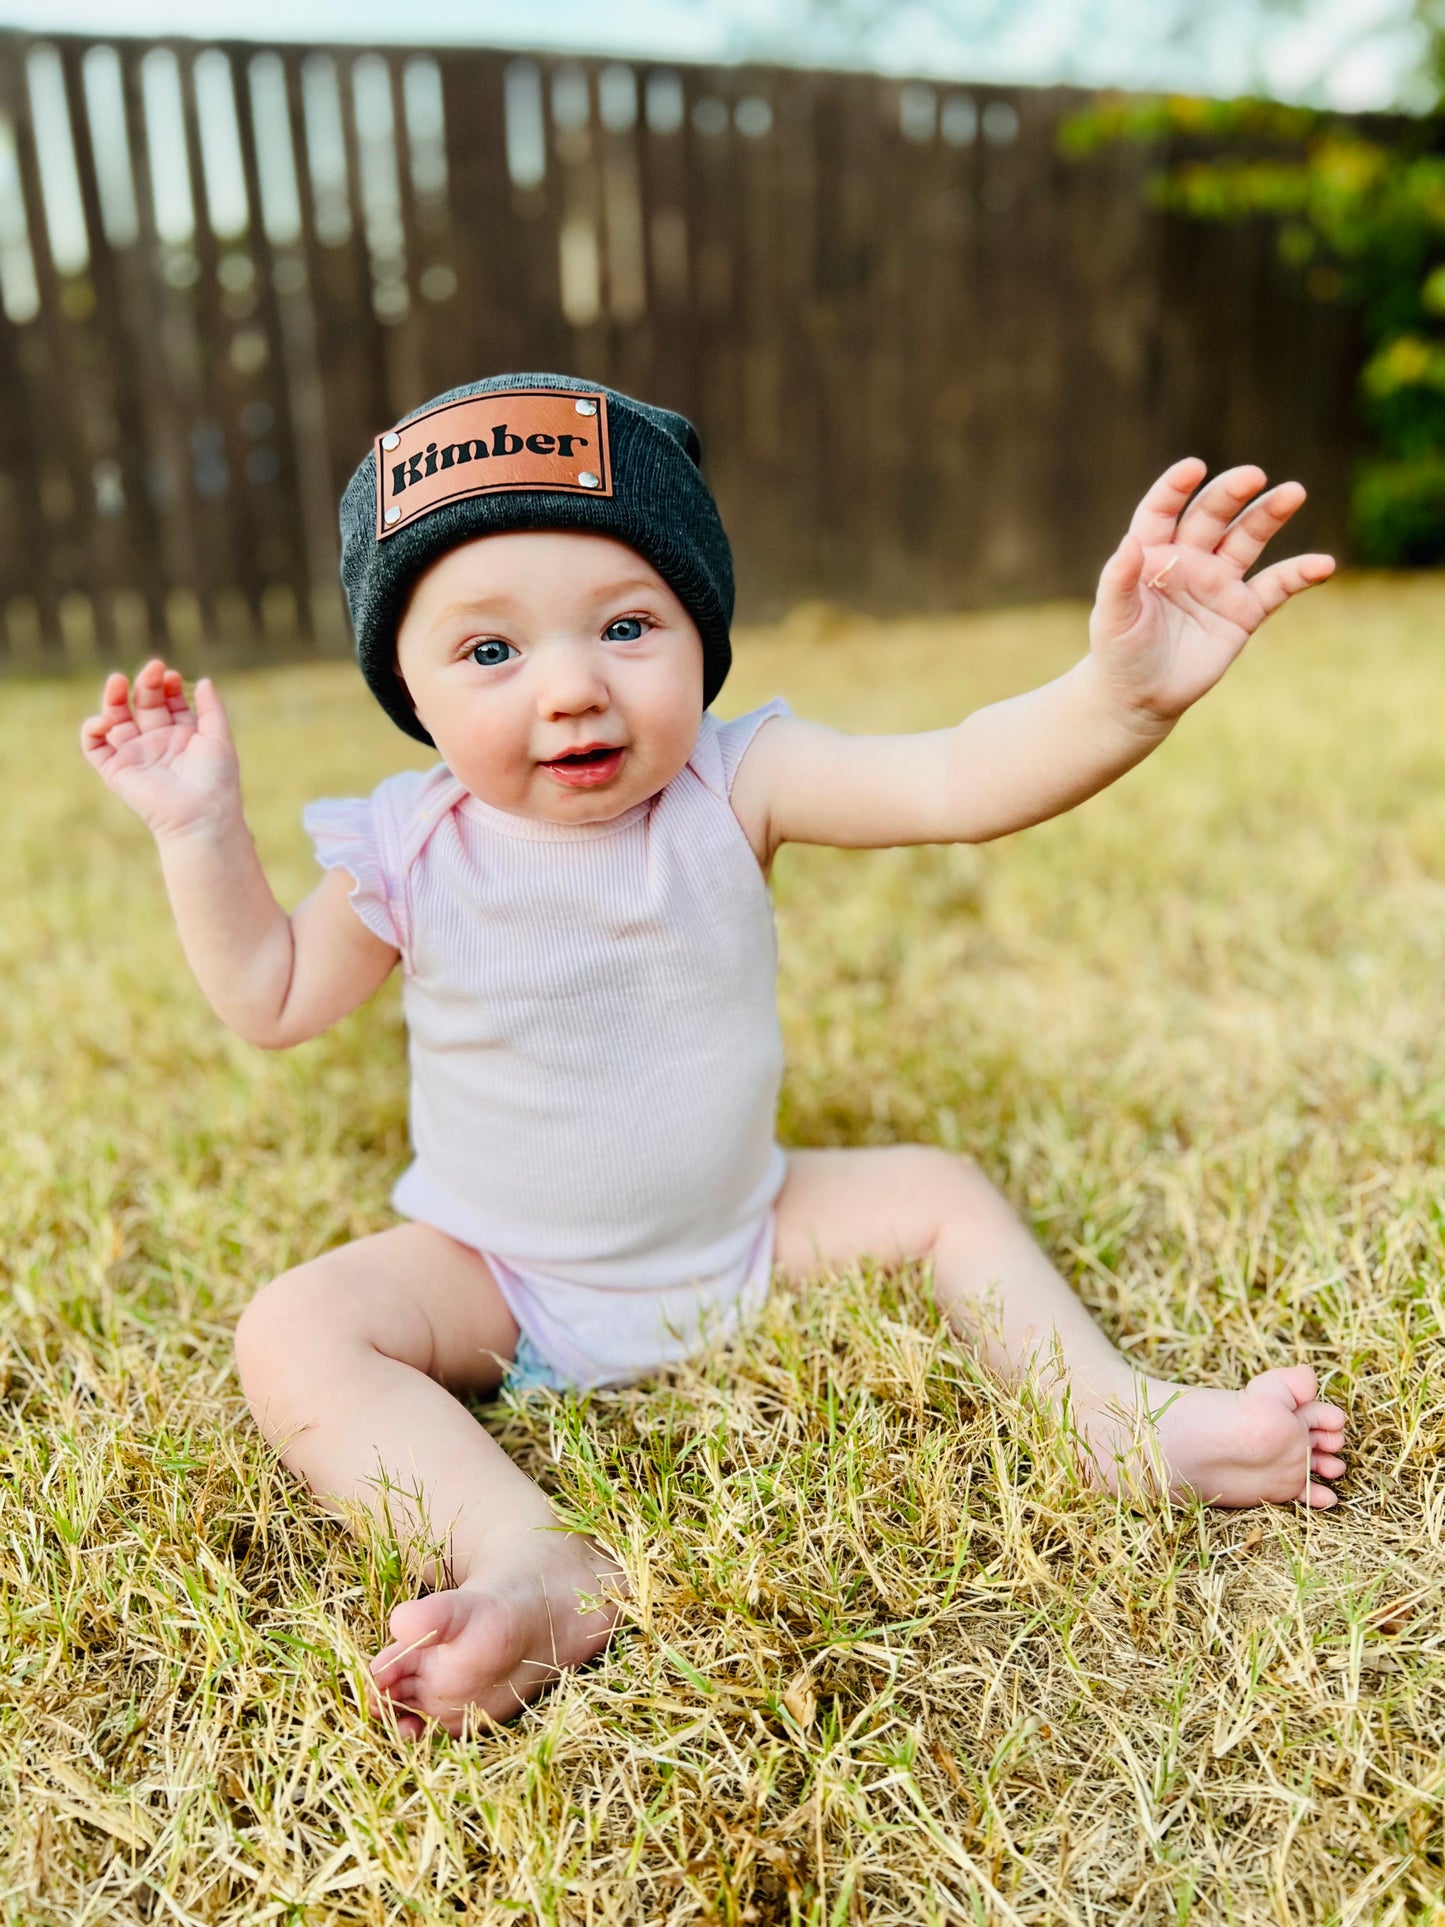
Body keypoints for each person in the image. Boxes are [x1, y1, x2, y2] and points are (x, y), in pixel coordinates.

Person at [80, 373, 1347, 1740]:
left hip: (747, 1228)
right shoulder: (407, 848)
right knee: (295, 1329)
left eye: (627, 626)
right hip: (501, 1273)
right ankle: (526, 1552)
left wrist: (1120, 696)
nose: (571, 687)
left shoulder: (738, 783)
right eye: (489, 652)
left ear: (700, 633)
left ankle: (1115, 1416)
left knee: (938, 1191)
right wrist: (197, 830)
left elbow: (956, 781)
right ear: (410, 686)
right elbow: (271, 996)